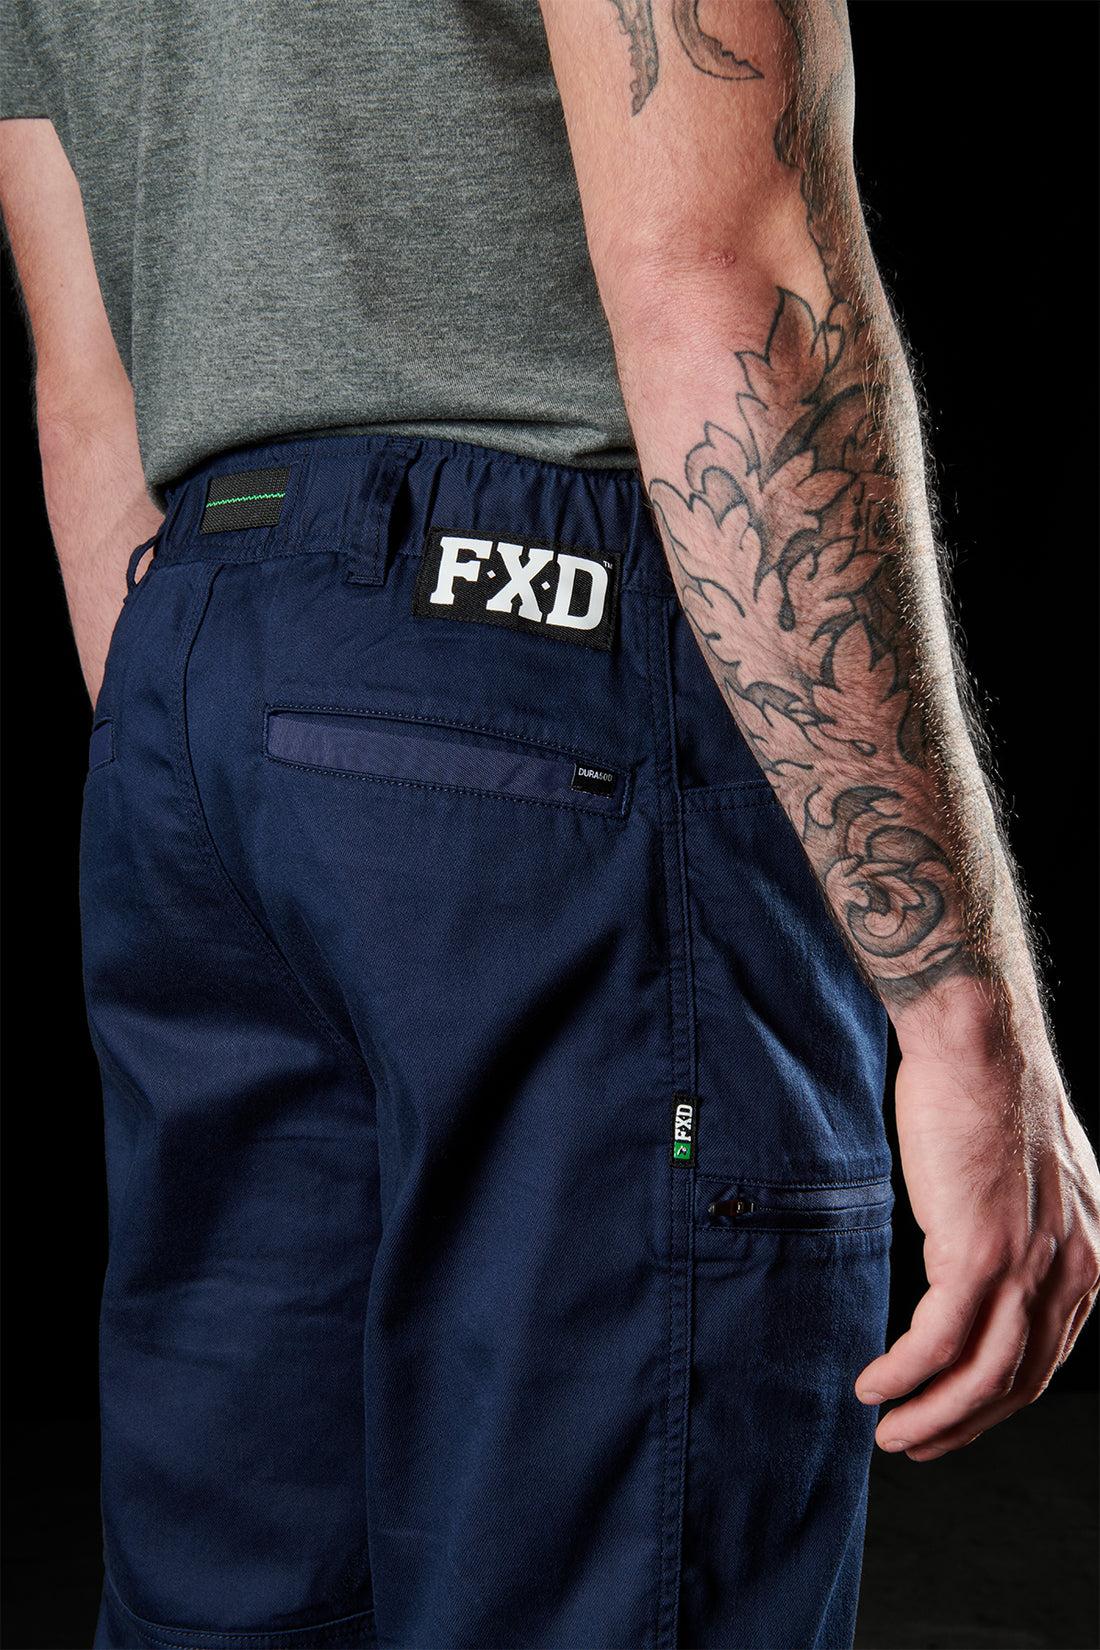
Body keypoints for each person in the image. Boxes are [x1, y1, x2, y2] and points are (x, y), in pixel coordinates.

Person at [1, 2, 1097, 1647]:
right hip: (557, 682)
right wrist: (958, 1011)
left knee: (224, 1605)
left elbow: (88, 389)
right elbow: (726, 271)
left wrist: (233, 762)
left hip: (196, 677)